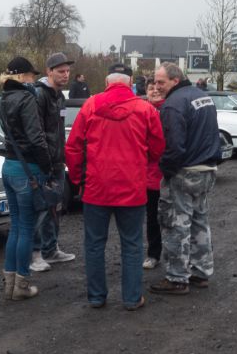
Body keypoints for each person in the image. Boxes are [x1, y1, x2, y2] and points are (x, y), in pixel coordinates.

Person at [66, 63, 165, 310]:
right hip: (132, 187)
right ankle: (132, 298)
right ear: (130, 82)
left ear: (108, 82)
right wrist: (142, 162)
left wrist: (78, 180)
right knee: (131, 244)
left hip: (96, 187)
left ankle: (97, 296)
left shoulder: (90, 105)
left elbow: (73, 146)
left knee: (94, 244)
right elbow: (157, 147)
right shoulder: (145, 109)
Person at [150, 62, 221, 296]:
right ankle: (201, 271)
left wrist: (166, 170)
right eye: (155, 81)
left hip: (184, 172)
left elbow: (174, 146)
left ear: (175, 81)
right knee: (200, 220)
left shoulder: (173, 105)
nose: (157, 86)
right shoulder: (203, 97)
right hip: (206, 169)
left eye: (161, 82)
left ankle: (177, 277)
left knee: (175, 223)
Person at [0, 56, 52, 300]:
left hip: (8, 166)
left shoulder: (3, 99)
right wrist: (47, 165)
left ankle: (10, 283)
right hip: (27, 168)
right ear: (23, 76)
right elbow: (35, 137)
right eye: (31, 74)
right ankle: (21, 285)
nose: (34, 78)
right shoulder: (27, 98)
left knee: (16, 227)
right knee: (26, 229)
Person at [30, 52, 77, 272]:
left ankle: (51, 249)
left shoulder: (60, 97)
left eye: (67, 71)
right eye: (61, 71)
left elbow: (58, 129)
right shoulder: (39, 95)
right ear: (49, 71)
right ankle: (35, 253)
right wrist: (44, 159)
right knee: (40, 208)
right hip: (43, 161)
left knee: (54, 208)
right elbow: (37, 130)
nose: (65, 75)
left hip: (58, 160)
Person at [143, 80, 166, 270]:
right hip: (148, 176)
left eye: (158, 88)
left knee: (172, 217)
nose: (155, 91)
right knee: (152, 218)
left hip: (167, 173)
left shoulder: (170, 110)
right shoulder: (141, 111)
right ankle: (153, 253)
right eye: (151, 89)